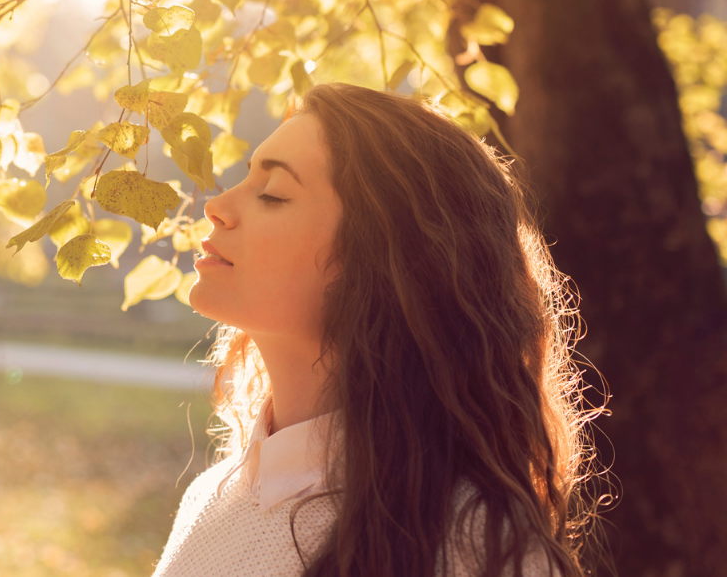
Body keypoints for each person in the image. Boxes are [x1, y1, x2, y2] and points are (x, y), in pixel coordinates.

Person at [152, 83, 603, 577]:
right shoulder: (209, 498)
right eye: (245, 178)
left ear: (383, 259)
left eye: (273, 194)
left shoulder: (478, 547)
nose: (216, 206)